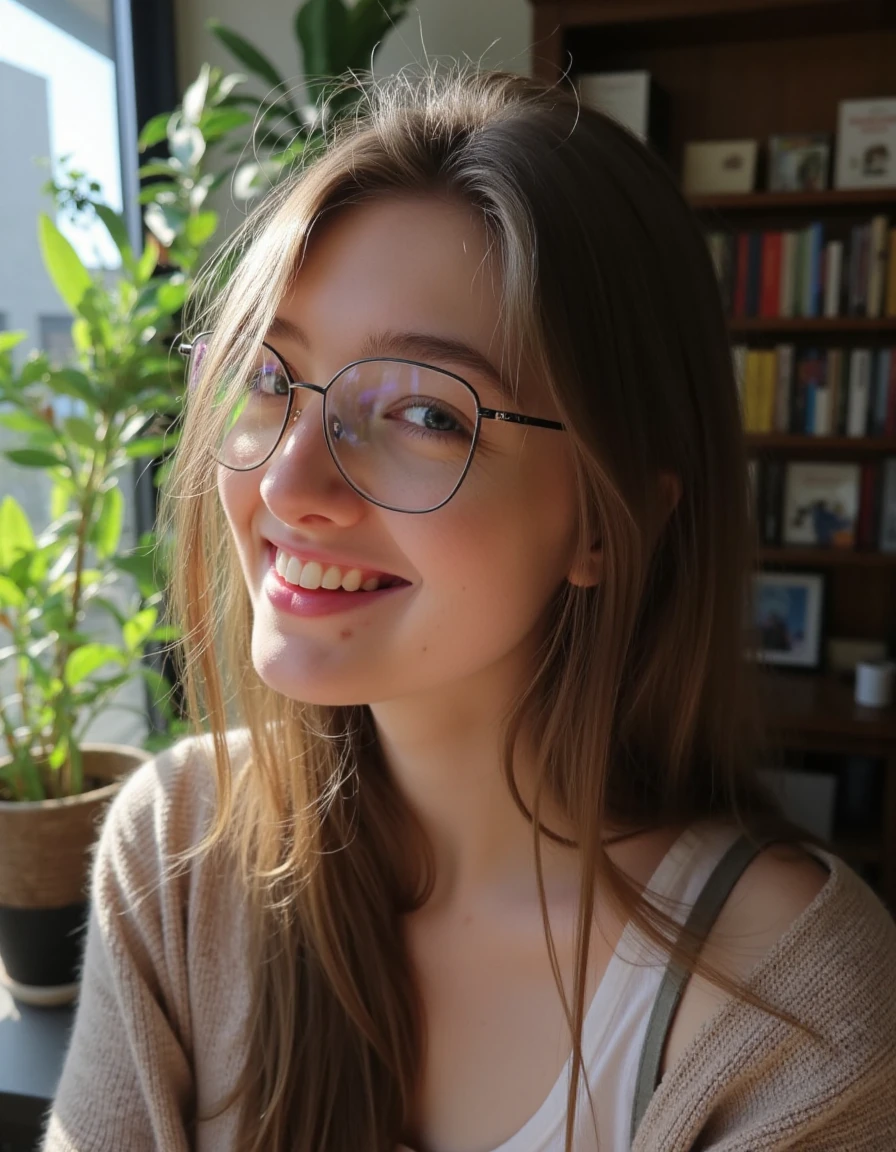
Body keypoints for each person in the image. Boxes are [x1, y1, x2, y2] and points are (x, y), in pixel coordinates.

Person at [43, 69, 896, 1152]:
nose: (291, 484)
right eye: (269, 377)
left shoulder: (789, 1009)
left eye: (418, 411)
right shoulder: (182, 849)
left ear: (606, 517)